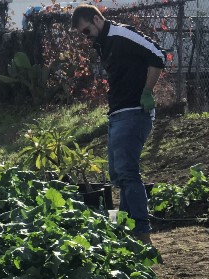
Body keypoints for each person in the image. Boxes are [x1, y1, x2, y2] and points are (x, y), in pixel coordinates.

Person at [72, 4, 166, 236]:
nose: (86, 37)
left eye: (86, 31)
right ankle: (126, 228)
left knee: (127, 172)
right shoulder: (103, 44)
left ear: (97, 19)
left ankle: (141, 231)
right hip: (118, 114)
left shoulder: (121, 34)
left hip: (134, 111)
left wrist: (147, 91)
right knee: (117, 174)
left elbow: (158, 55)